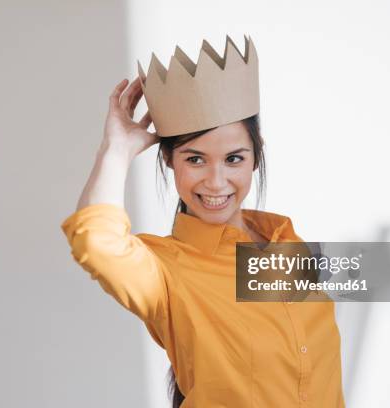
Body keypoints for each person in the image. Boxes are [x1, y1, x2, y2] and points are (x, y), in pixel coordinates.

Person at [61, 36, 344, 407]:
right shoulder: (165, 271)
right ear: (169, 160)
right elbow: (95, 241)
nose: (216, 181)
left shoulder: (287, 243)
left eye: (233, 159)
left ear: (255, 156)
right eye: (195, 159)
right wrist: (116, 150)